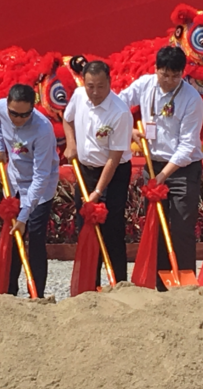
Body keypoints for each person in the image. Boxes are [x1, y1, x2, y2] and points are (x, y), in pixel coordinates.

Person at [119, 46, 203, 290]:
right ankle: (160, 284)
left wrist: (164, 175)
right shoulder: (145, 85)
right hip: (152, 164)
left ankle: (185, 282)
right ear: (156, 69)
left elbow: (188, 145)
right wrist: (130, 130)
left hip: (182, 169)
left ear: (183, 74)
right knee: (156, 226)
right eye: (164, 74)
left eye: (175, 76)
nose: (168, 81)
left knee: (181, 227)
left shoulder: (192, 99)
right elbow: (118, 104)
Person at [63, 60, 133, 285]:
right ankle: (89, 285)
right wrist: (71, 144)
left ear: (110, 83)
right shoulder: (78, 96)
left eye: (100, 86)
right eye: (90, 86)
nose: (94, 92)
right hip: (85, 171)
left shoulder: (120, 112)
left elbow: (114, 157)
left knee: (111, 229)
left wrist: (99, 191)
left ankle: (118, 284)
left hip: (113, 174)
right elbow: (67, 119)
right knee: (85, 226)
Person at [0, 84, 60, 297]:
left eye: (24, 115)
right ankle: (9, 292)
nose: (18, 119)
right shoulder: (0, 108)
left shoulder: (43, 129)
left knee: (35, 239)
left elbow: (41, 176)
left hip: (40, 189)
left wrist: (24, 216)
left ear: (33, 108)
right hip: (14, 182)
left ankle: (36, 294)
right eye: (14, 114)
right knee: (12, 238)